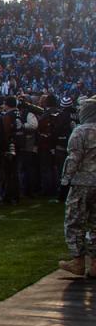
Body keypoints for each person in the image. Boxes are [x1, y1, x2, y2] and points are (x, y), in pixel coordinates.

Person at [58, 97, 96, 277]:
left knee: (74, 221)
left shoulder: (80, 131)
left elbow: (73, 158)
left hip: (82, 182)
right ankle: (95, 263)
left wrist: (65, 180)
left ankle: (78, 261)